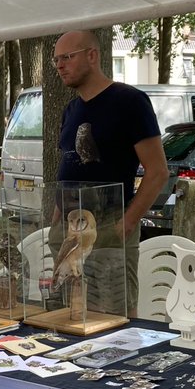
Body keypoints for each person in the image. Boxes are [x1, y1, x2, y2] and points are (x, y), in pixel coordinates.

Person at [52, 29, 169, 317]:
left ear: (92, 55)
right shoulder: (70, 110)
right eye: (56, 60)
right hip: (69, 228)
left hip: (109, 224)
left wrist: (124, 225)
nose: (60, 66)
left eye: (67, 57)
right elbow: (67, 166)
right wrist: (55, 224)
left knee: (112, 314)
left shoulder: (129, 101)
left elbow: (157, 172)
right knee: (66, 313)